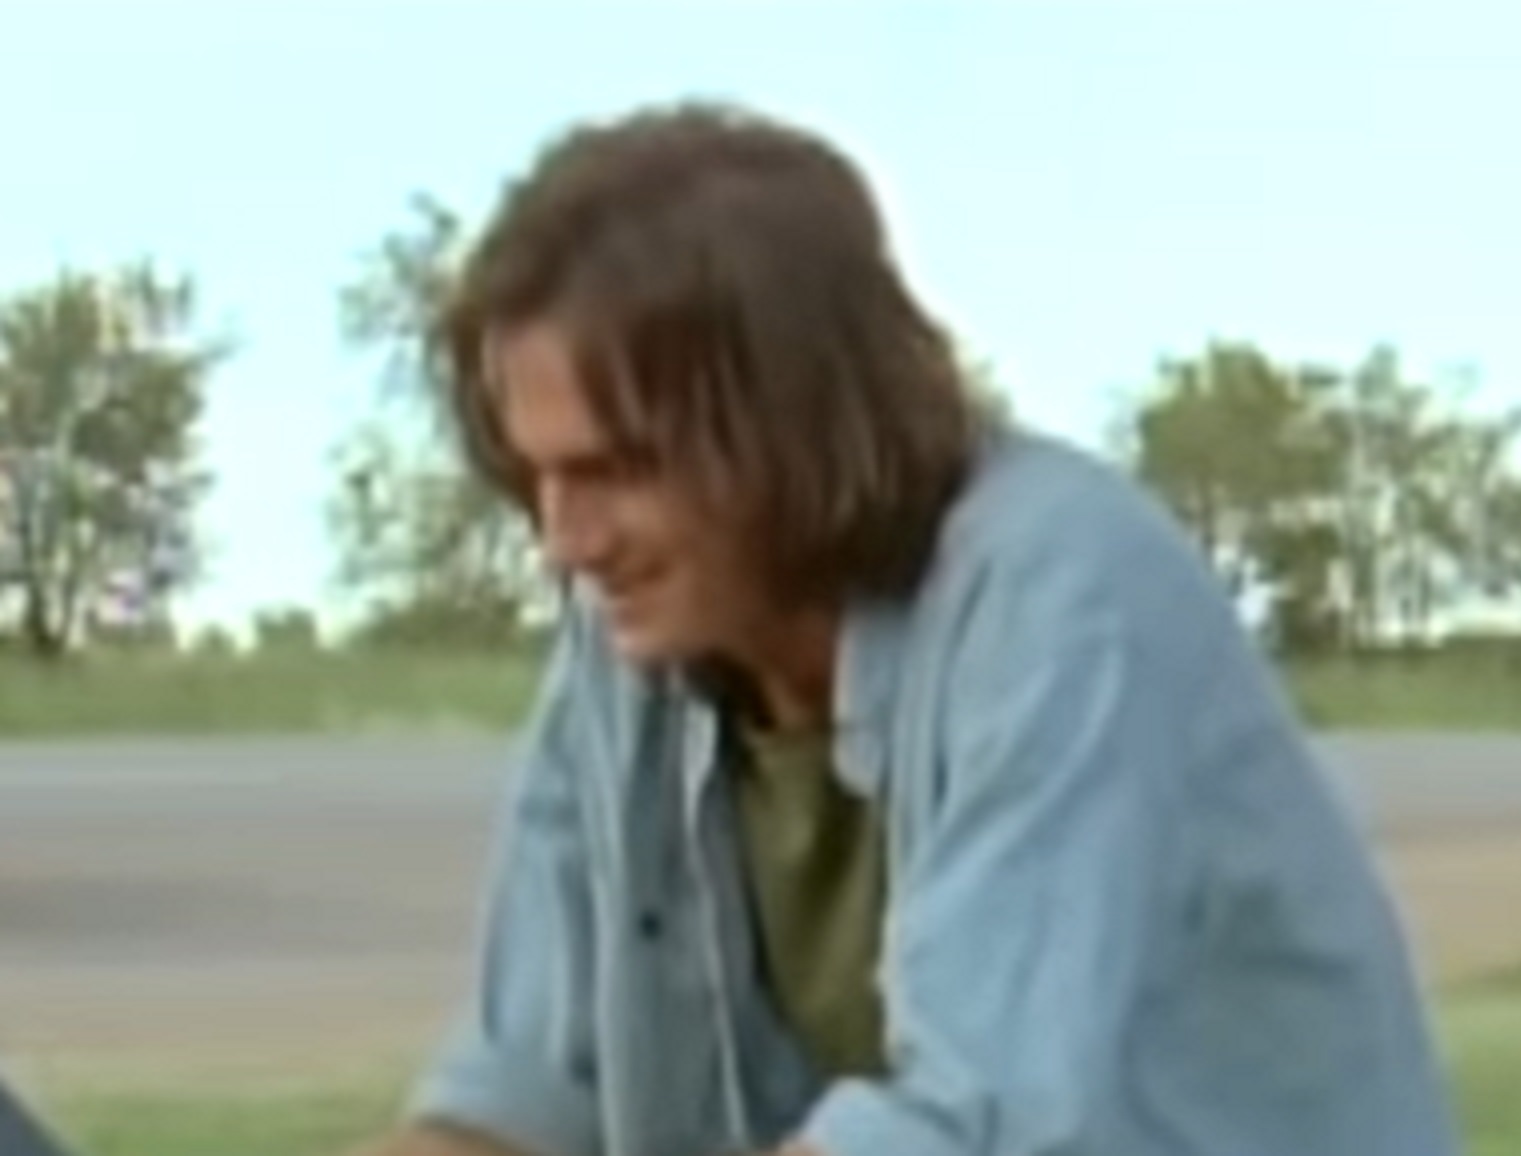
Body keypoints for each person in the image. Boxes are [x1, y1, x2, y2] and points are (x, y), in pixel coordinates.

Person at [353, 100, 1460, 1156]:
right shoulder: (630, 649)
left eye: (620, 469)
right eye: (537, 475)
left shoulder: (1058, 597)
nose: (565, 542)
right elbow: (529, 1093)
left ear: (794, 423)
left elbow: (964, 1129)